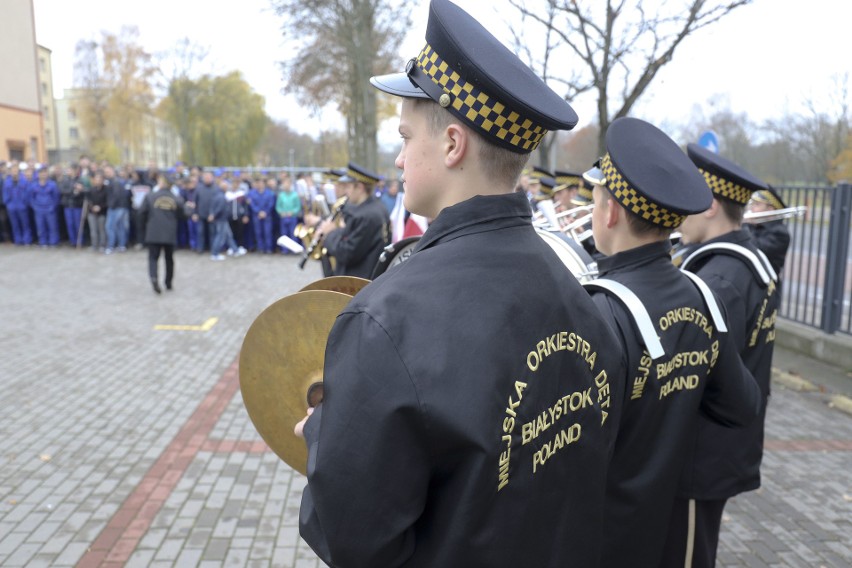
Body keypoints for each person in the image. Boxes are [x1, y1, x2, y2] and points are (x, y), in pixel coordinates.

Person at [294, 1, 624, 565]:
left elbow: (353, 539)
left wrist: (325, 436)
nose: (396, 159)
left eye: (404, 137)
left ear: (452, 145)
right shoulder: (587, 299)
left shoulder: (387, 317)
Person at [582, 117, 761, 568]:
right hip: (666, 520)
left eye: (594, 199)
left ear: (611, 213)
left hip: (603, 536)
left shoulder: (599, 311)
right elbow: (741, 405)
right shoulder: (700, 293)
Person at [660, 143, 780, 568]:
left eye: (686, 201)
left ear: (710, 204)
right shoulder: (742, 260)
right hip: (715, 449)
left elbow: (695, 375)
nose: (678, 212)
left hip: (700, 456)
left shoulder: (720, 279)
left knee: (688, 556)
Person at [312, 162, 390, 279]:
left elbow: (347, 253)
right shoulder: (375, 207)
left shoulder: (367, 216)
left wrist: (329, 233)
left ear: (359, 187)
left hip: (358, 282)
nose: (346, 191)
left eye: (348, 186)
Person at [139, 174, 186, 294]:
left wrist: (147, 225)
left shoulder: (150, 196)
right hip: (169, 233)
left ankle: (154, 278)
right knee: (169, 259)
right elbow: (183, 215)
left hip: (153, 232)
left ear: (161, 183)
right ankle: (168, 283)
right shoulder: (176, 199)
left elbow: (141, 213)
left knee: (153, 258)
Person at [745, 184, 791, 275]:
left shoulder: (780, 233)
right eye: (752, 204)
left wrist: (744, 225)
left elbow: (754, 249)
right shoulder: (754, 226)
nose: (752, 208)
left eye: (757, 205)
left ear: (770, 209)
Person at [29, 167, 60, 248]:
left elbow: (56, 197)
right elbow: (31, 198)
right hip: (39, 209)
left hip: (50, 209)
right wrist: (35, 207)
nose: (43, 174)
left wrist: (52, 207)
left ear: (47, 174)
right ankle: (43, 242)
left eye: (44, 172)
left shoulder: (52, 184)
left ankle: (53, 242)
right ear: (38, 174)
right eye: (41, 173)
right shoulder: (34, 185)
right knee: (40, 227)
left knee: (52, 227)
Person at [2, 163, 32, 245]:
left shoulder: (24, 181)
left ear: (18, 171)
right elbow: (5, 194)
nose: (14, 172)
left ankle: (27, 240)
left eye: (16, 170)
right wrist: (8, 204)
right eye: (12, 170)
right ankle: (18, 240)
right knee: (15, 225)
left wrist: (25, 204)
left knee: (25, 224)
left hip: (22, 206)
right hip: (12, 207)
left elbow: (28, 194)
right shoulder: (7, 182)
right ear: (10, 172)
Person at [248, 177, 276, 253]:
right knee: (258, 233)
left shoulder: (269, 193)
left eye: (261, 183)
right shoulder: (251, 193)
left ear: (264, 184)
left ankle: (268, 248)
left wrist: (265, 212)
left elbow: (271, 204)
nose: (260, 184)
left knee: (267, 232)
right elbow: (251, 204)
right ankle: (261, 248)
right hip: (256, 216)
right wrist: (258, 212)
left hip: (267, 215)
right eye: (258, 183)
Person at [275, 174, 302, 253]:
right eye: (284, 184)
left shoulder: (295, 195)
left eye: (288, 184)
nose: (286, 186)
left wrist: (293, 212)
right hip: (283, 217)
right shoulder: (281, 195)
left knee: (293, 233)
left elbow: (298, 206)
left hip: (292, 217)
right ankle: (285, 250)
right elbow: (278, 206)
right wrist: (281, 212)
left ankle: (294, 250)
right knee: (284, 234)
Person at [85, 172, 108, 252]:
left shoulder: (106, 189)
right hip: (92, 212)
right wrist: (92, 207)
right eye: (96, 179)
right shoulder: (91, 189)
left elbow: (107, 201)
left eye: (99, 179)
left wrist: (100, 207)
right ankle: (94, 245)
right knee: (93, 230)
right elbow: (88, 200)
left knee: (102, 230)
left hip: (102, 212)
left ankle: (102, 245)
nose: (98, 181)